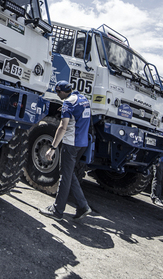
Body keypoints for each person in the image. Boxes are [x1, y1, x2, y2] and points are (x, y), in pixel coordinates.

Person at [39, 80, 92, 222]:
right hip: (82, 143)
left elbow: (63, 127)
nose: (57, 95)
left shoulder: (68, 103)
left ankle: (57, 210)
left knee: (64, 176)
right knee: (70, 173)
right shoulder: (83, 99)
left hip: (71, 144)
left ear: (62, 91)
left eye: (58, 92)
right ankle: (82, 206)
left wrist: (53, 148)